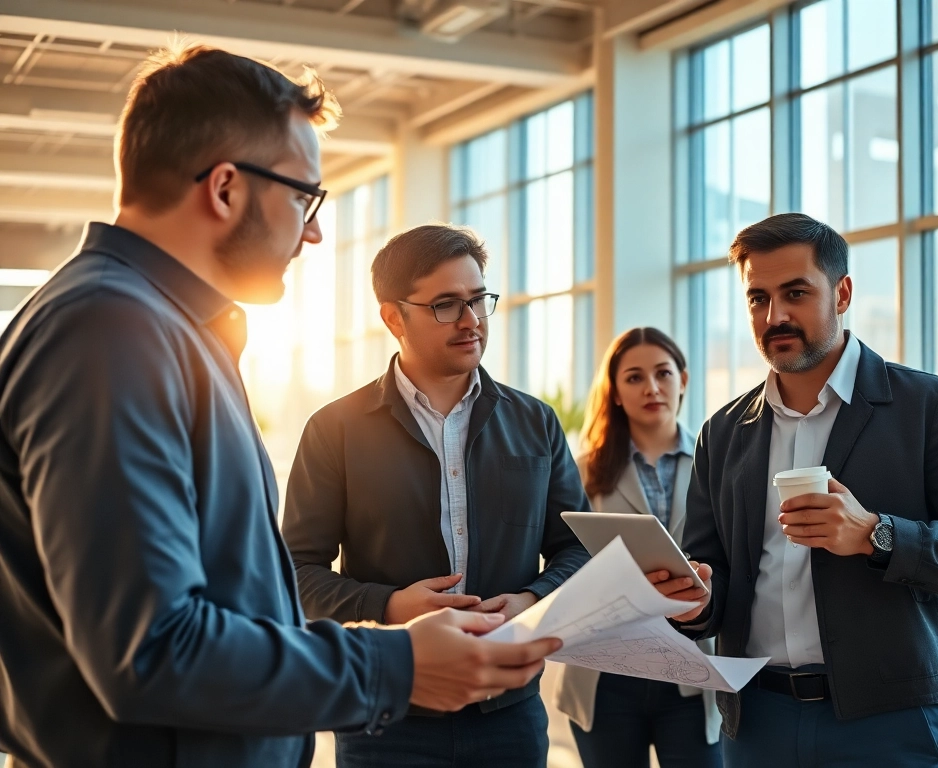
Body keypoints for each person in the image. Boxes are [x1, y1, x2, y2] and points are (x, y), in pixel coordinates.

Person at [0, 46, 560, 768]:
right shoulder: (112, 332)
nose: (315, 231)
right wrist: (396, 664)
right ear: (226, 188)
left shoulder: (166, 330)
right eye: (305, 197)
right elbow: (151, 648)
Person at [659, 212, 938, 768]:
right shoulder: (723, 431)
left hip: (887, 723)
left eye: (795, 293)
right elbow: (712, 580)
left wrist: (875, 535)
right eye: (757, 298)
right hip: (755, 722)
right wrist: (694, 601)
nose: (775, 315)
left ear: (843, 293)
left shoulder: (927, 407)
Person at [281, 222, 591, 768]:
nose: (471, 321)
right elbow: (296, 573)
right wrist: (389, 606)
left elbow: (577, 548)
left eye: (478, 300)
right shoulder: (336, 429)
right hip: (389, 717)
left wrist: (531, 599)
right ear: (393, 316)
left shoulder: (536, 422)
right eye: (446, 305)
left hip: (510, 718)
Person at [553, 327, 724, 768]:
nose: (651, 388)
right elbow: (562, 562)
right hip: (606, 674)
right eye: (633, 377)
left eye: (663, 374)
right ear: (614, 392)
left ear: (683, 380)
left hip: (692, 671)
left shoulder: (719, 462)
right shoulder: (581, 471)